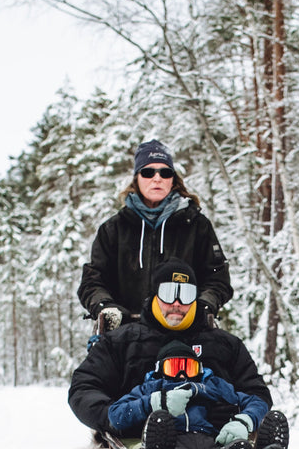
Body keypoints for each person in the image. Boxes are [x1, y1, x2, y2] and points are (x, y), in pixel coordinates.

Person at [67, 259, 288, 449]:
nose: (176, 304)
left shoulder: (223, 345)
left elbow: (255, 393)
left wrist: (245, 420)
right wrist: (118, 417)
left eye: (185, 296)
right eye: (168, 293)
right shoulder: (122, 343)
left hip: (216, 440)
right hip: (147, 441)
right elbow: (83, 390)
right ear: (155, 295)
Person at [77, 140, 233, 332]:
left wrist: (203, 305)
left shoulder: (196, 225)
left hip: (184, 331)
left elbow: (218, 278)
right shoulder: (113, 229)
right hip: (125, 334)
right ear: (137, 178)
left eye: (165, 172)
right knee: (95, 362)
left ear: (173, 179)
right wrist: (105, 307)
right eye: (148, 172)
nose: (157, 178)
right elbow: (92, 280)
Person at [107, 340, 273, 449]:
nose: (182, 374)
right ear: (160, 369)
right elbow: (116, 415)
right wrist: (154, 402)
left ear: (199, 369)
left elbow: (256, 401)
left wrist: (244, 420)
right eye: (174, 368)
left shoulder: (213, 386)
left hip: (211, 441)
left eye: (189, 368)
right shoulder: (151, 388)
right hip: (172, 442)